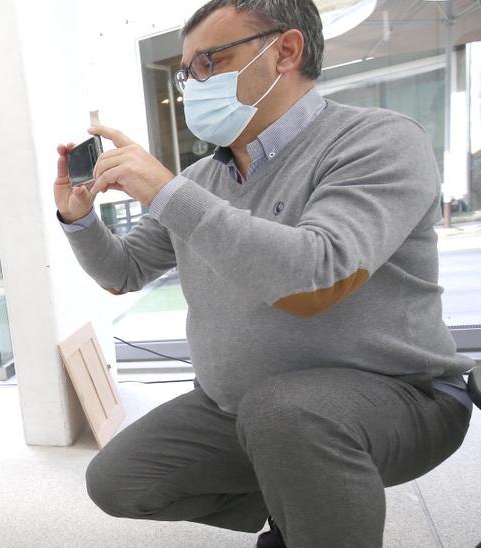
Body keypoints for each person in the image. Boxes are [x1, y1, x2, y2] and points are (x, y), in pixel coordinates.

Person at [59, 1, 473, 545]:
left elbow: (317, 278)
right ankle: (297, 494)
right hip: (242, 407)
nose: (192, 84)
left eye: (209, 62)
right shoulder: (201, 179)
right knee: (120, 481)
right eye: (186, 73)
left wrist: (166, 192)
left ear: (286, 50)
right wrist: (79, 216)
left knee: (287, 415)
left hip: (401, 397)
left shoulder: (378, 141)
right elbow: (124, 272)